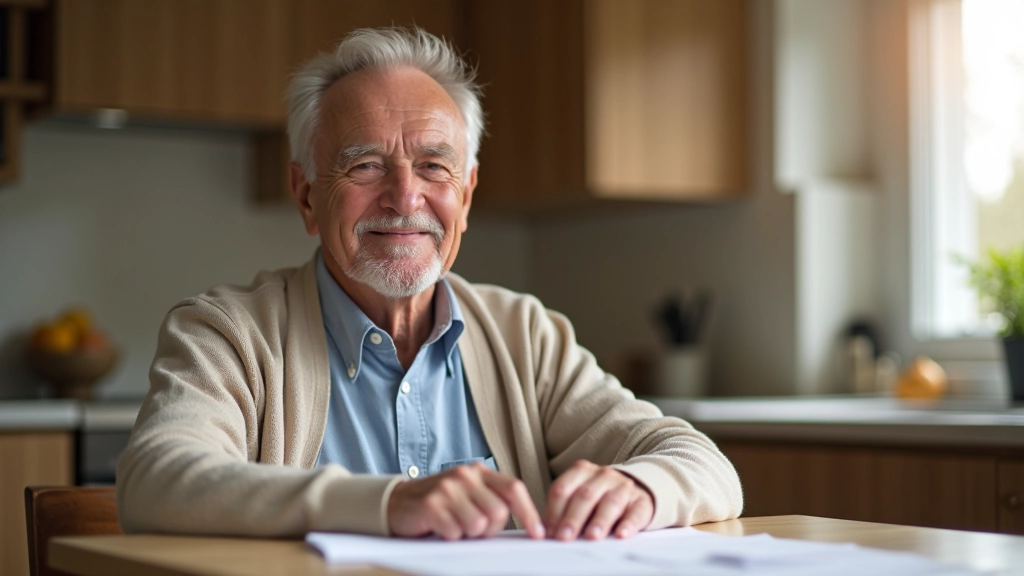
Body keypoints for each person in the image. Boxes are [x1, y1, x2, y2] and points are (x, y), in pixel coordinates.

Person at [116, 27, 742, 541]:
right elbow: (155, 479)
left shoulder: (524, 333)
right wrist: (387, 504)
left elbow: (705, 466)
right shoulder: (226, 332)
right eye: (364, 165)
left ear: (464, 199)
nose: (404, 196)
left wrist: (640, 486)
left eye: (434, 167)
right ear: (307, 196)